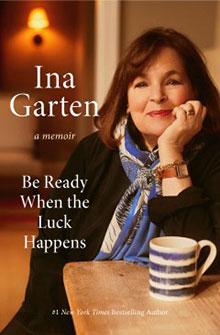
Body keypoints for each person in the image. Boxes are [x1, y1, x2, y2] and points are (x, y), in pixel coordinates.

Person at [2, 27, 220, 335]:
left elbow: (205, 263)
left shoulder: (213, 158)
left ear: (194, 91)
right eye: (141, 83)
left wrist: (172, 152)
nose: (157, 95)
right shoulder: (92, 153)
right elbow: (51, 246)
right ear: (126, 98)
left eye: (172, 81)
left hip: (172, 321)